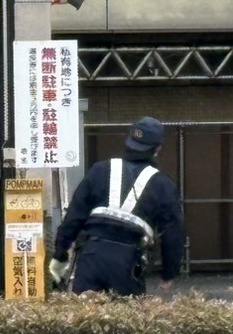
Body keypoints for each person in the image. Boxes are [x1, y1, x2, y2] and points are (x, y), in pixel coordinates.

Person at [50, 116, 185, 296]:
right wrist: (169, 272)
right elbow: (173, 233)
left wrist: (60, 255)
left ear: (129, 141)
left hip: (91, 256)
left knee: (83, 318)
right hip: (128, 261)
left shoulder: (99, 170)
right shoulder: (163, 184)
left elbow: (74, 217)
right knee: (126, 320)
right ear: (157, 148)